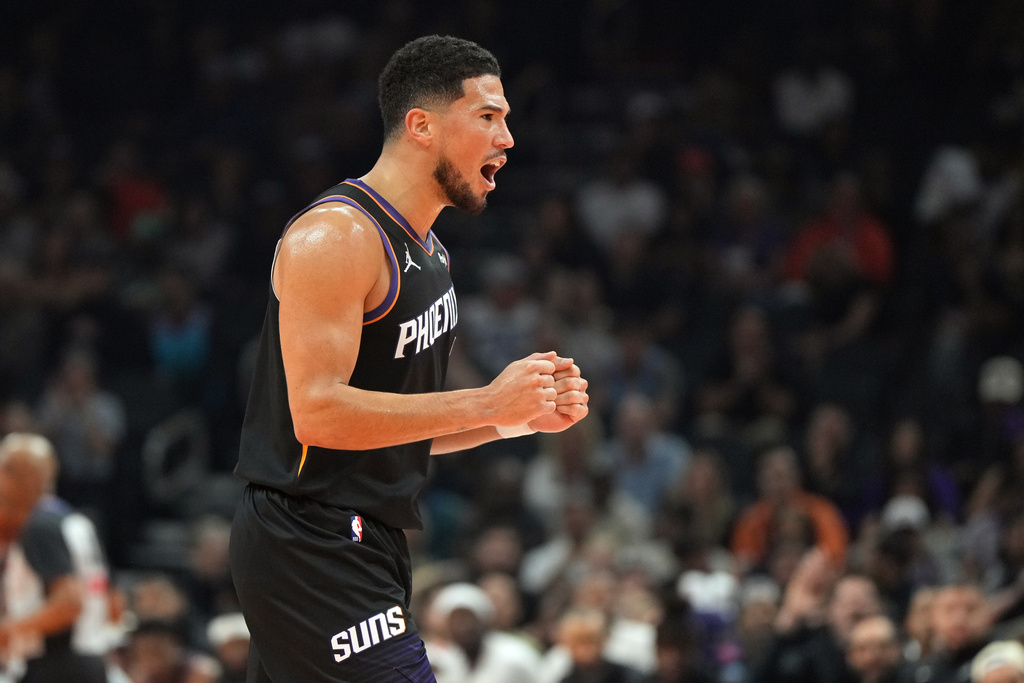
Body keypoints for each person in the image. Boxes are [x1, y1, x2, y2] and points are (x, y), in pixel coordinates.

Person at [229, 35, 590, 683]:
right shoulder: (337, 236)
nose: (507, 138)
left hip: (369, 536)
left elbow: (395, 430)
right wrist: (487, 400)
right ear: (421, 125)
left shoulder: (434, 255)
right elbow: (318, 414)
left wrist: (516, 420)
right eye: (488, 117)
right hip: (309, 535)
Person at [0, 433, 109, 682]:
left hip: (54, 667)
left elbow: (69, 603)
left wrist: (9, 631)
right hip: (90, 660)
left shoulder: (38, 526)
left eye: (6, 469)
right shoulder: (75, 521)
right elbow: (112, 601)